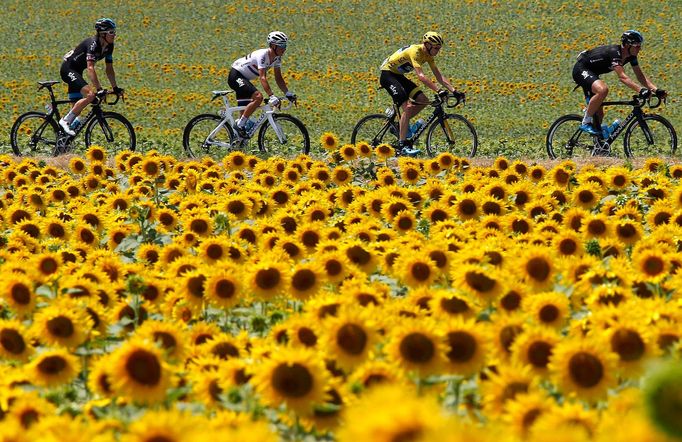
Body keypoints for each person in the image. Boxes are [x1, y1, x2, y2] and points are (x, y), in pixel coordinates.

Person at [379, 31, 463, 156]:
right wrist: (438, 90)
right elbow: (421, 76)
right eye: (436, 48)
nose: (437, 51)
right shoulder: (415, 51)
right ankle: (402, 146)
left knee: (423, 100)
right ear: (427, 45)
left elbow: (439, 76)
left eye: (439, 48)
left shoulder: (428, 56)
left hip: (398, 76)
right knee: (407, 107)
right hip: (388, 75)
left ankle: (401, 126)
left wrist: (454, 91)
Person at [573, 30, 667, 136]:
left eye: (640, 46)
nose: (639, 48)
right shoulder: (615, 53)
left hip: (593, 73)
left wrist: (656, 90)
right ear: (627, 45)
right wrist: (641, 90)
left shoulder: (631, 56)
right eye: (637, 46)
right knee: (603, 90)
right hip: (581, 69)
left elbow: (640, 76)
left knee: (599, 114)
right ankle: (585, 122)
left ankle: (599, 147)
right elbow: (622, 77)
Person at [59, 18, 123, 136]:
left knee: (76, 116)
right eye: (111, 32)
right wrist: (99, 89)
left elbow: (109, 69)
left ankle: (62, 143)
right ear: (102, 33)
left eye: (114, 31)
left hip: (77, 71)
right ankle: (65, 121)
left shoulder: (109, 46)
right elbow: (90, 68)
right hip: (68, 69)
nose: (114, 35)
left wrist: (115, 87)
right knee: (90, 95)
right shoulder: (93, 44)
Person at [228, 31, 297, 138]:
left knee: (243, 119)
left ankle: (236, 143)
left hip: (244, 79)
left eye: (285, 45)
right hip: (236, 75)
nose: (284, 49)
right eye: (282, 45)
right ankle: (239, 125)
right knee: (258, 97)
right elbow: (262, 77)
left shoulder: (277, 58)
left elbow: (278, 78)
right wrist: (271, 96)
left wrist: (287, 93)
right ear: (273, 45)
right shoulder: (263, 55)